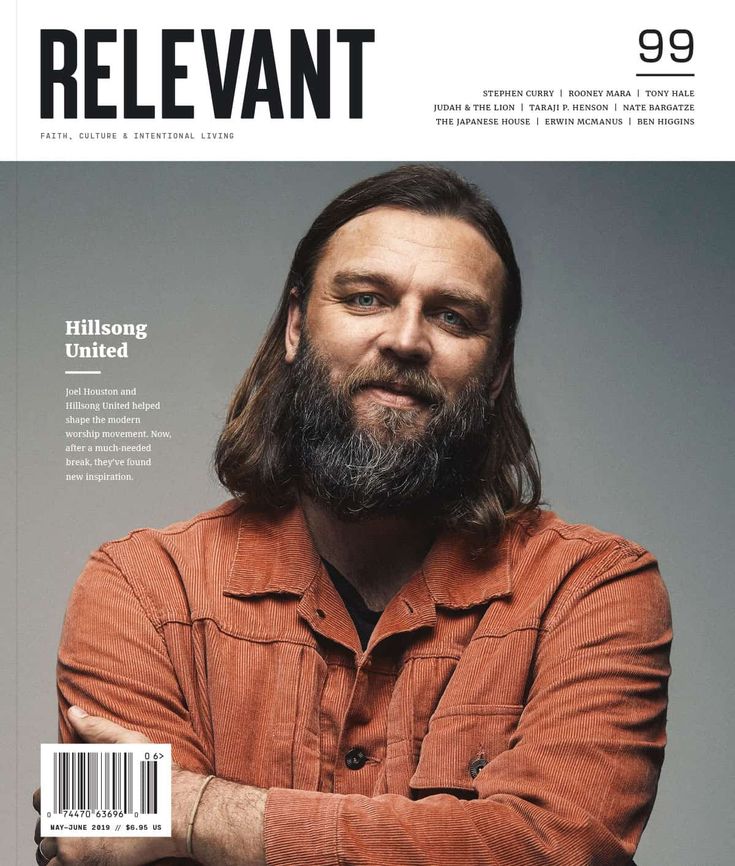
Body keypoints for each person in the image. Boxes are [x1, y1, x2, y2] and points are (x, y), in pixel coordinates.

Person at [35, 165, 671, 866]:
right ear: (296, 325)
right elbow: (98, 847)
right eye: (367, 298)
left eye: (451, 315)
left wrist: (193, 811)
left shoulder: (597, 589)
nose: (405, 338)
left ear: (495, 370)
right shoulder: (134, 588)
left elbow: (555, 848)